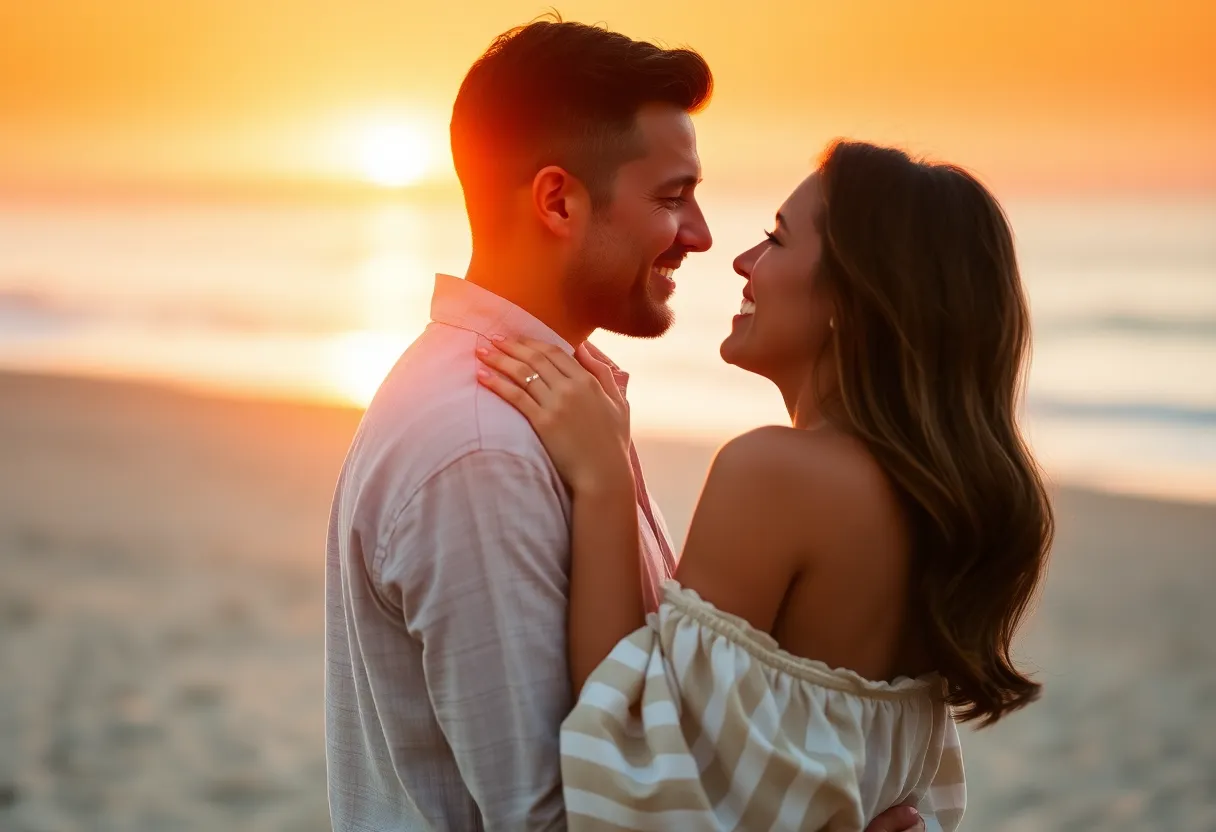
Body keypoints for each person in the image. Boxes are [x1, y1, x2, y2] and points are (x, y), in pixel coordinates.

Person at [325, 16, 927, 832]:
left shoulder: (563, 406)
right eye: (672, 197)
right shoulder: (480, 446)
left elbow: (663, 750)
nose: (705, 237)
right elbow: (560, 818)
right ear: (559, 200)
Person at [477, 139, 1055, 830]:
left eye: (775, 240)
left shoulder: (777, 472)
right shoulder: (939, 498)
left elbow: (641, 753)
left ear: (855, 296)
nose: (742, 262)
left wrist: (603, 478)